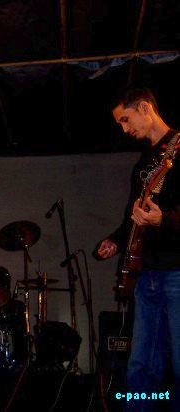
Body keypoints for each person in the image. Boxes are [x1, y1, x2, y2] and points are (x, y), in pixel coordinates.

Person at [96, 89, 180, 411]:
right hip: (146, 274)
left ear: (144, 107)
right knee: (141, 364)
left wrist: (165, 220)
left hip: (176, 272)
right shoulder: (143, 163)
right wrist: (115, 241)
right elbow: (131, 219)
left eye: (125, 119)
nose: (124, 129)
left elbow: (162, 217)